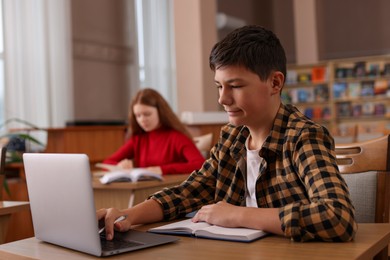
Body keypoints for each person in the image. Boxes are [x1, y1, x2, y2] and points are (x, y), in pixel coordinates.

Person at [98, 25, 357, 242]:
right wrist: (128, 215)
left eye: (235, 86)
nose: (223, 98)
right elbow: (189, 192)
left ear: (275, 83)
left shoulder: (303, 137)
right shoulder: (232, 137)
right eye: (219, 86)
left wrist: (238, 215)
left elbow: (337, 217)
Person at [102, 88, 205, 175]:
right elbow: (106, 163)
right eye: (138, 115)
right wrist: (118, 167)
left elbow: (200, 164)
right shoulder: (138, 139)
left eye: (147, 114)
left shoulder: (176, 137)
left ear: (160, 112)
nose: (142, 119)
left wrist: (161, 169)